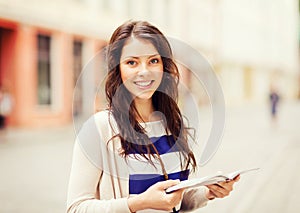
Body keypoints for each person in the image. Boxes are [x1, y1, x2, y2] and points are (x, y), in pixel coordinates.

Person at [67, 20, 239, 213]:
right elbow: (76, 208)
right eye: (132, 62)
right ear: (118, 69)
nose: (144, 71)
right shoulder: (99, 128)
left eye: (153, 61)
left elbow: (174, 200)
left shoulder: (172, 123)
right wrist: (138, 203)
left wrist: (208, 192)